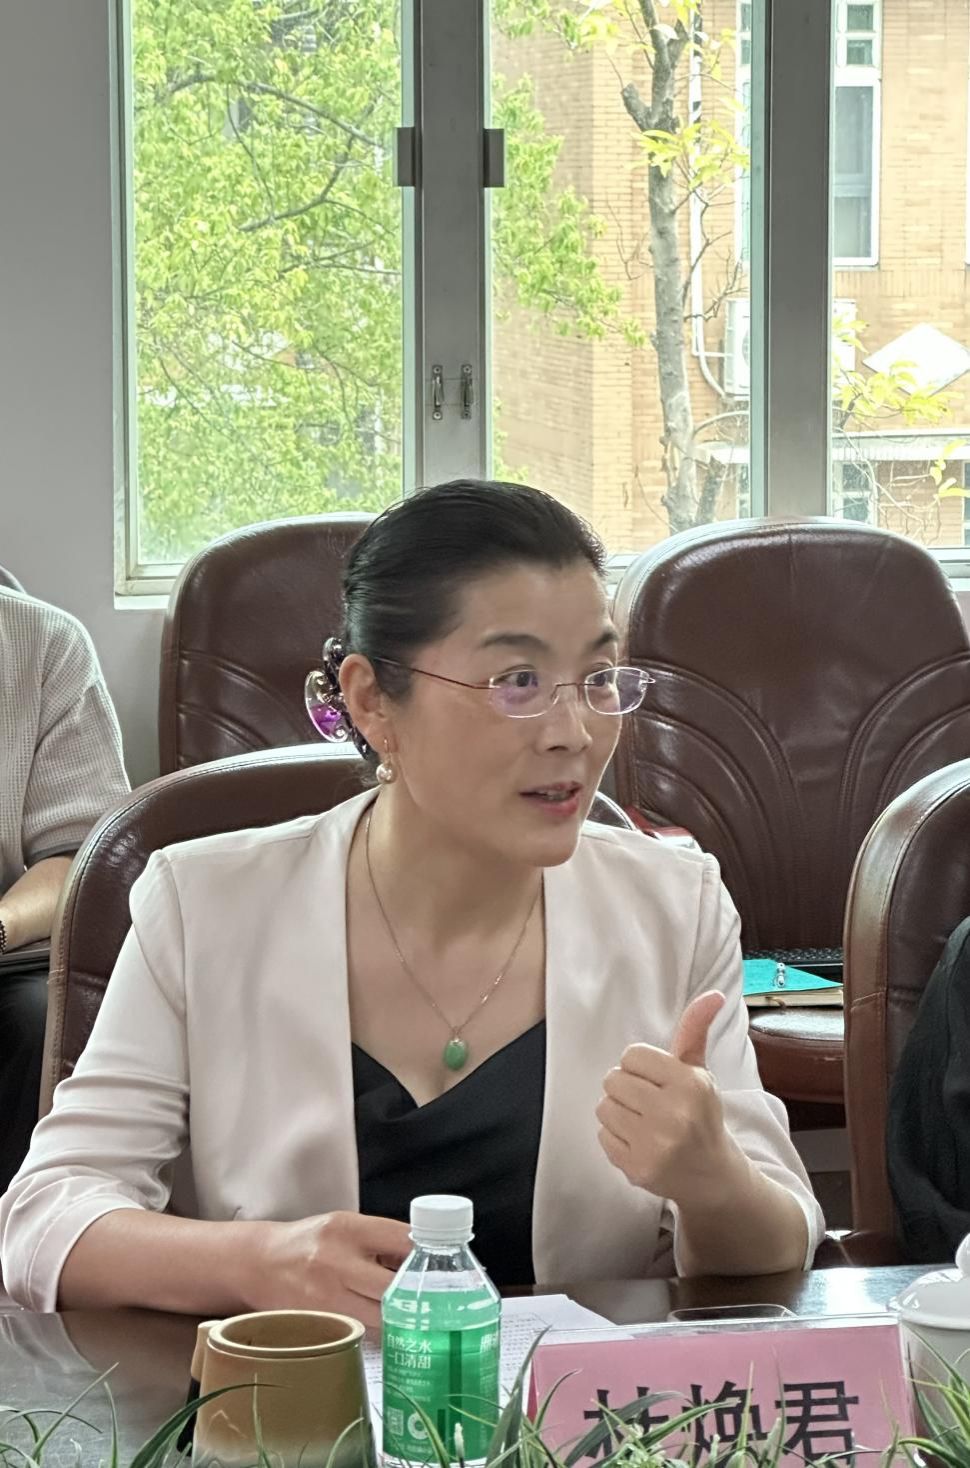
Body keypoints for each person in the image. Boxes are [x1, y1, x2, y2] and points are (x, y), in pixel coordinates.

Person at [0, 482, 823, 1317]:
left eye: (599, 677)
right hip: (301, 1397)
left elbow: (781, 1243)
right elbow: (43, 1220)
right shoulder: (203, 903)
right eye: (518, 680)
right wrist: (259, 1263)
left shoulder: (673, 905)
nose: (573, 732)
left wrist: (712, 1180)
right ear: (369, 700)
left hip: (575, 1397)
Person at [0, 585, 130, 1194]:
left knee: (41, 1019)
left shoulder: (45, 643)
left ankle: (16, 1238)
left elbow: (78, 856)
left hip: (7, 942)